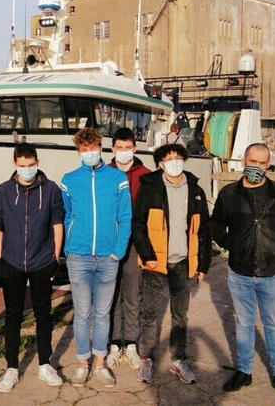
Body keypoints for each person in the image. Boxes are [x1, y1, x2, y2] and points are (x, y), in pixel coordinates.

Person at [210, 142, 275, 400]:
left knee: (273, 325)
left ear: (268, 165)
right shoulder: (229, 194)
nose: (257, 167)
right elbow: (216, 224)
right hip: (239, 272)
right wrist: (230, 245)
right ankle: (244, 371)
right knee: (244, 324)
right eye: (253, 162)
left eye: (262, 163)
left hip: (271, 272)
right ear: (243, 161)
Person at [131, 143, 212, 384]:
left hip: (184, 262)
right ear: (160, 163)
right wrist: (147, 256)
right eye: (169, 159)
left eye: (178, 157)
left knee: (180, 315)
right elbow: (138, 225)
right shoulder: (149, 188)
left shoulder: (195, 189)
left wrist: (203, 265)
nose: (174, 162)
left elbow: (204, 230)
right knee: (150, 313)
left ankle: (178, 359)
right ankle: (146, 356)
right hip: (156, 262)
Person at [60, 128, 132, 388]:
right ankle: (82, 363)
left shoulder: (117, 178)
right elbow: (67, 215)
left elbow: (125, 217)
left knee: (102, 314)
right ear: (78, 151)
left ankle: (100, 363)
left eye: (93, 148)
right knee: (81, 313)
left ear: (100, 147)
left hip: (108, 257)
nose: (89, 153)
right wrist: (69, 246)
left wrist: (118, 251)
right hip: (78, 256)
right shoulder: (69, 179)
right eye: (84, 149)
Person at [0, 143, 65, 392]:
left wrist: (55, 256)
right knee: (12, 315)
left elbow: (57, 222)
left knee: (43, 314)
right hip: (11, 261)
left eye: (30, 165)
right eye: (22, 166)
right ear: (14, 164)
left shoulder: (51, 189)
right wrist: (0, 256)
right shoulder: (3, 191)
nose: (27, 170)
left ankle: (45, 363)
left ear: (37, 161)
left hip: (42, 261)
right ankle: (12, 367)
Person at [106, 127, 151, 371]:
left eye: (128, 148)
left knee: (133, 295)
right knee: (110, 296)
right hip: (110, 244)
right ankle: (114, 343)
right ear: (113, 148)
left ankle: (131, 343)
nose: (124, 152)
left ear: (135, 148)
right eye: (119, 148)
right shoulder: (104, 173)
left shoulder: (146, 175)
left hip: (135, 244)